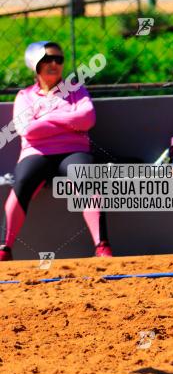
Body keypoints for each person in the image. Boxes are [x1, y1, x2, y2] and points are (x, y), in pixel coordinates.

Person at [0, 41, 112, 261]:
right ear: (35, 64)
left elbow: (87, 119)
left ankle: (102, 247)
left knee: (86, 177)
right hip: (36, 153)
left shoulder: (76, 90)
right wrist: (68, 122)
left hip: (73, 151)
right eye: (47, 59)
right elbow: (27, 130)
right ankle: (5, 248)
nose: (54, 64)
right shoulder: (25, 96)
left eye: (58, 60)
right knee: (22, 182)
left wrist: (47, 119)